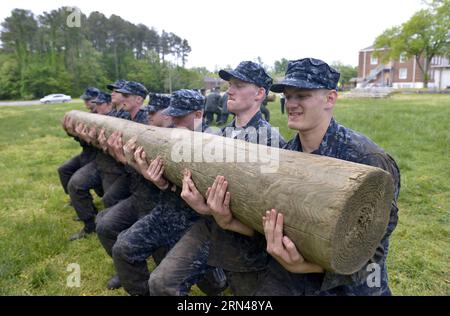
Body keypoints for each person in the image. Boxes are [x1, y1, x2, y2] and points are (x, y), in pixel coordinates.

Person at [257, 58, 400, 296]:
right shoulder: (287, 156)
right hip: (297, 281)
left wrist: (311, 267)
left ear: (330, 99)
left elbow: (375, 247)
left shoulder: (367, 159)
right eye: (288, 96)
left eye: (301, 96)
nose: (291, 104)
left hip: (353, 287)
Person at [148, 61, 286, 296]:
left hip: (248, 244)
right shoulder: (219, 135)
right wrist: (200, 205)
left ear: (260, 93)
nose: (229, 90)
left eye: (239, 85)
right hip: (211, 227)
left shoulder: (271, 141)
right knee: (161, 283)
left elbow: (275, 208)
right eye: (230, 84)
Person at [110, 90, 227, 296]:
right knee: (123, 249)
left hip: (199, 221)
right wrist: (160, 182)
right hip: (168, 211)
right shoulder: (169, 137)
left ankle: (220, 276)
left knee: (214, 285)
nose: (173, 120)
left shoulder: (215, 143)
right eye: (172, 114)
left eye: (180, 115)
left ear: (198, 114)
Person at [95, 81, 164, 290]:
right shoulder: (125, 118)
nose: (120, 99)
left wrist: (124, 158)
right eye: (121, 95)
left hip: (155, 195)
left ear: (138, 100)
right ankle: (130, 271)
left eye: (126, 96)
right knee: (106, 226)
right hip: (137, 189)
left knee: (160, 250)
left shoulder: (148, 123)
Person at [58, 87, 101, 207]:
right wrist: (72, 132)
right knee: (64, 170)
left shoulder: (102, 117)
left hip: (97, 156)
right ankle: (76, 200)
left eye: (88, 99)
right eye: (85, 100)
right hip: (87, 153)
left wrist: (80, 135)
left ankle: (83, 202)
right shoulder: (89, 116)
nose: (85, 102)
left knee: (79, 180)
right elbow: (83, 142)